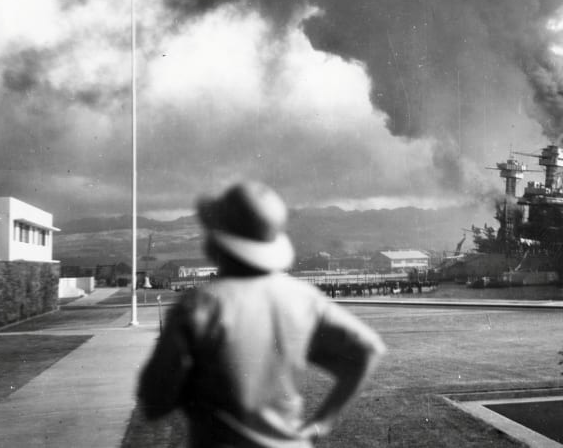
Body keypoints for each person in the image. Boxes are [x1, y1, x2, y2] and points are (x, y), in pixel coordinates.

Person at [138, 181, 386, 447]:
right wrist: (322, 422)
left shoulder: (199, 306)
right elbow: (369, 349)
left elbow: (154, 404)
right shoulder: (304, 298)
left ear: (216, 242)